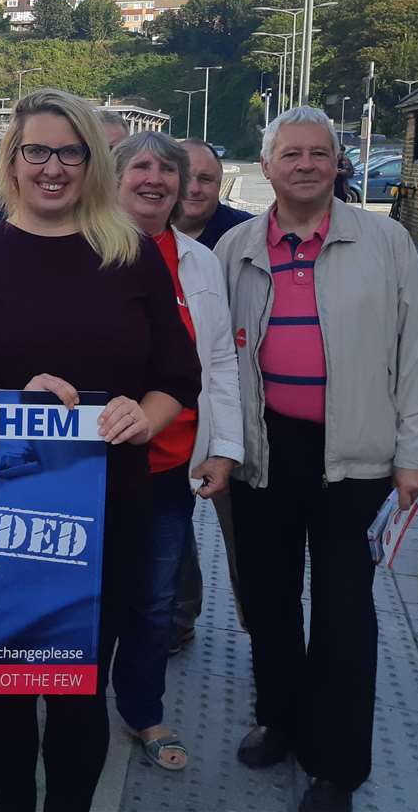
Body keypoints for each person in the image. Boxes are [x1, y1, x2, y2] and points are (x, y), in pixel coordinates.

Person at [0, 89, 200, 812]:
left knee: (80, 684)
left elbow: (178, 375)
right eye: (36, 151)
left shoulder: (132, 254)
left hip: (109, 504)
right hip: (0, 514)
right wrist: (9, 399)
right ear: (10, 162)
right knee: (7, 684)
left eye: (69, 152)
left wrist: (143, 417)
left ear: (90, 162)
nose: (52, 167)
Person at [216, 106, 418, 812]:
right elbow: (218, 359)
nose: (305, 164)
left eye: (319, 153)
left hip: (356, 456)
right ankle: (279, 718)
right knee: (270, 600)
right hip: (266, 450)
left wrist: (414, 454)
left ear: (339, 163)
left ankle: (335, 764)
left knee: (343, 609)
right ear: (268, 165)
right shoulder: (239, 245)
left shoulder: (386, 240)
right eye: (291, 154)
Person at [109, 132, 244, 771]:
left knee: (156, 597)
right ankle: (70, 700)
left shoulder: (199, 261)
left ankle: (142, 711)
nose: (157, 179)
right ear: (115, 177)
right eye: (142, 166)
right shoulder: (85, 253)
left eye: (171, 170)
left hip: (169, 465)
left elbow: (220, 360)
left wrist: (224, 448)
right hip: (95, 465)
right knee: (87, 594)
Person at [170, 137, 252, 650]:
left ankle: (260, 631)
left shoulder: (244, 236)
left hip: (230, 410)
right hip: (165, 419)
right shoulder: (129, 237)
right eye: (187, 176)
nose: (195, 187)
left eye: (207, 179)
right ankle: (178, 622)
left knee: (243, 534)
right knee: (171, 533)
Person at [175, 139, 252, 249]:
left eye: (205, 179)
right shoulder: (145, 232)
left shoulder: (249, 232)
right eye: (184, 178)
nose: (194, 189)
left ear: (219, 183)